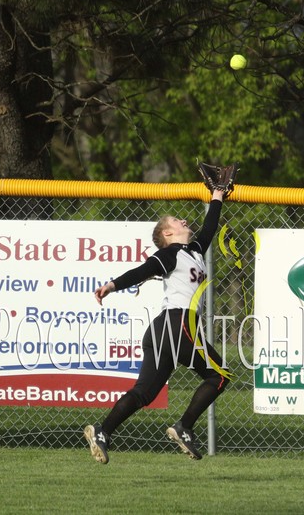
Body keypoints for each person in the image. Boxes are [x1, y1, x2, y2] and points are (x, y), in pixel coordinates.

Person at [84, 188, 231, 463]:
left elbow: (209, 227)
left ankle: (103, 431)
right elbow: (142, 271)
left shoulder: (195, 251)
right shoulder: (169, 254)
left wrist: (217, 197)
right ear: (167, 233)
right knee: (219, 375)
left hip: (162, 331)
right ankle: (184, 426)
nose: (183, 221)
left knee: (144, 394)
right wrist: (112, 286)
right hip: (178, 325)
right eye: (176, 221)